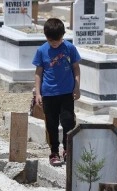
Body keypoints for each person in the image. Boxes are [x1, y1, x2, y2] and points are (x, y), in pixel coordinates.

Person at [32, 18, 81, 166]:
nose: (55, 43)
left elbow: (76, 68)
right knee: (51, 124)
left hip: (66, 93)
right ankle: (54, 151)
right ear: (46, 36)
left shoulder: (70, 48)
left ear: (63, 35)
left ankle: (68, 149)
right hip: (49, 93)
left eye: (58, 39)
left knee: (68, 121)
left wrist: (77, 86)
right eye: (51, 40)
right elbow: (38, 73)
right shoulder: (41, 51)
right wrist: (38, 93)